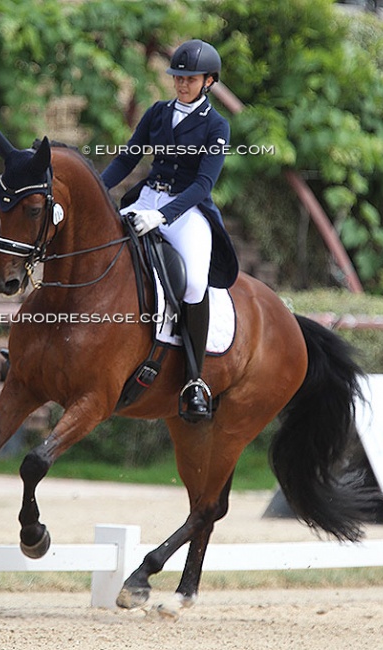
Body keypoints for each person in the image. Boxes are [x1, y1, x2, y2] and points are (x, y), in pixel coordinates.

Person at [101, 39, 238, 422]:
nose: (181, 84)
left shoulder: (216, 126)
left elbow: (202, 186)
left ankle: (194, 381)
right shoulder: (158, 113)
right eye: (177, 78)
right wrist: (96, 189)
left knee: (194, 282)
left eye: (189, 79)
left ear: (209, 81)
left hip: (186, 209)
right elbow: (129, 157)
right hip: (146, 197)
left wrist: (163, 217)